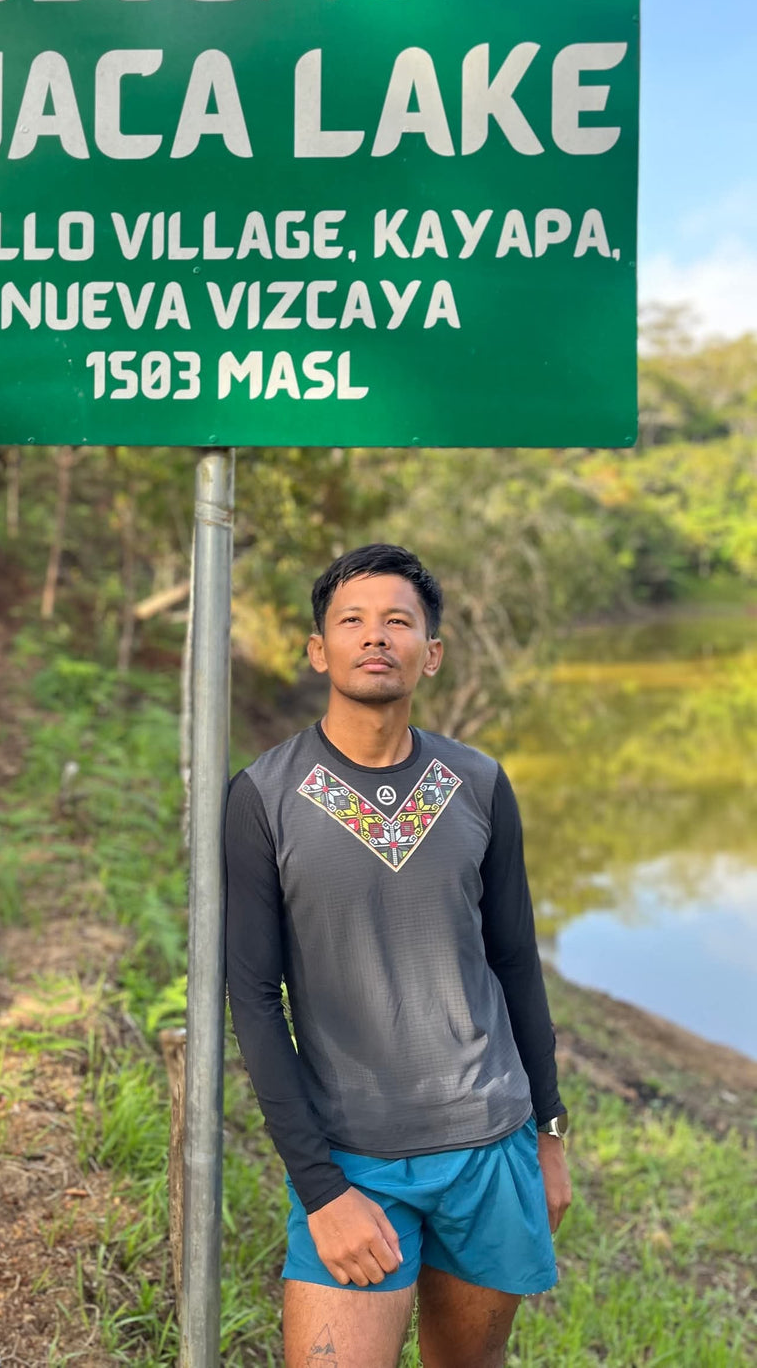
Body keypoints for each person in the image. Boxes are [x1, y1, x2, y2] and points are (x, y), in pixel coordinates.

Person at [225, 544, 572, 1368]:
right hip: (354, 1158)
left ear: (432, 652)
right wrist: (321, 1187)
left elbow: (516, 960)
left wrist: (549, 1131)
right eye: (351, 620)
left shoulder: (478, 781)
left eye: (397, 621)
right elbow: (251, 995)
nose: (374, 636)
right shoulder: (265, 795)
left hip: (490, 1142)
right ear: (319, 650)